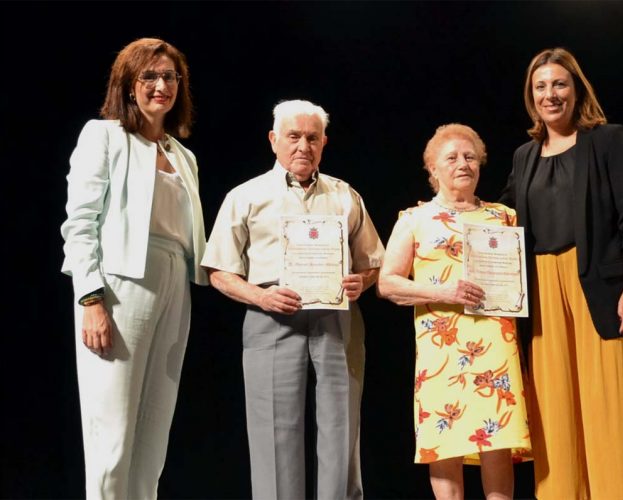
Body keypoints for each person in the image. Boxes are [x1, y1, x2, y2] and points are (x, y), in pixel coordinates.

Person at [201, 99, 384, 500]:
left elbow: (374, 263)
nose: (303, 145)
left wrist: (361, 282)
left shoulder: (345, 195)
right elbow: (218, 270)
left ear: (324, 143)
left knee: (341, 426)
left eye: (312, 137)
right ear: (273, 140)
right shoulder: (245, 196)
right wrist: (260, 297)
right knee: (273, 431)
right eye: (294, 136)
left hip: (336, 317)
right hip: (272, 315)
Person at [499, 47, 623, 499]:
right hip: (543, 291)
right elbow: (499, 219)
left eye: (559, 84)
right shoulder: (524, 156)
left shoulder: (607, 140)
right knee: (554, 410)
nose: (551, 94)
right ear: (532, 97)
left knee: (608, 407)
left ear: (576, 89)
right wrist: (440, 215)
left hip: (601, 290)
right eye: (541, 87)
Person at [60, 38, 207, 499]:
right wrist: (91, 298)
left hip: (174, 282)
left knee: (153, 438)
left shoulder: (185, 157)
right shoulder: (102, 136)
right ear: (127, 84)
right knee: (113, 437)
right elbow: (80, 223)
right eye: (149, 76)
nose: (160, 85)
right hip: (121, 284)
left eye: (169, 77)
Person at [378, 124, 531, 500]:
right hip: (441, 346)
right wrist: (442, 291)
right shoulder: (414, 219)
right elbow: (387, 283)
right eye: (452, 158)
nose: (463, 164)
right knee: (444, 440)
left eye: (470, 157)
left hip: (496, 341)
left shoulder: (504, 217)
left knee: (497, 436)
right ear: (433, 169)